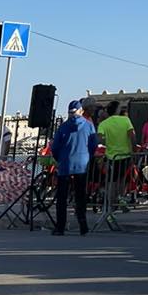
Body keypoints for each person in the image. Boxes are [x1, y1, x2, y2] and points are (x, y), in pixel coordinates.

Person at [50, 100, 99, 236]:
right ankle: (83, 225)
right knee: (80, 196)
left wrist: (60, 158)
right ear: (81, 111)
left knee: (62, 197)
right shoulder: (89, 126)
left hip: (65, 163)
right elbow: (93, 144)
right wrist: (87, 156)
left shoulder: (63, 127)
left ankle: (60, 227)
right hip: (82, 164)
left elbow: (54, 147)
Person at [97, 100, 136, 211]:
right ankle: (120, 198)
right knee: (122, 179)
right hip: (125, 155)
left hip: (111, 157)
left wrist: (108, 141)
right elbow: (132, 136)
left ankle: (111, 208)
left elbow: (99, 139)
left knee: (112, 182)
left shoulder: (104, 124)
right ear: (118, 110)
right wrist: (134, 150)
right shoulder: (125, 120)